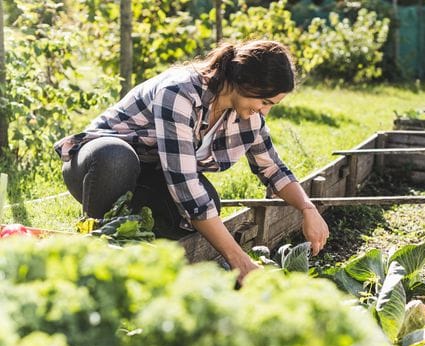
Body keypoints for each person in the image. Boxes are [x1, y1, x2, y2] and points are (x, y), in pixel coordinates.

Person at [54, 40, 329, 282]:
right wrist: (239, 259)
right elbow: (184, 184)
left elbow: (271, 168)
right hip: (97, 164)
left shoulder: (247, 116)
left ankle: (141, 256)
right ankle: (97, 251)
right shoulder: (180, 91)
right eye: (265, 101)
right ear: (246, 83)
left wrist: (307, 208)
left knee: (207, 203)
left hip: (148, 172)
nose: (265, 110)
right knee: (119, 159)